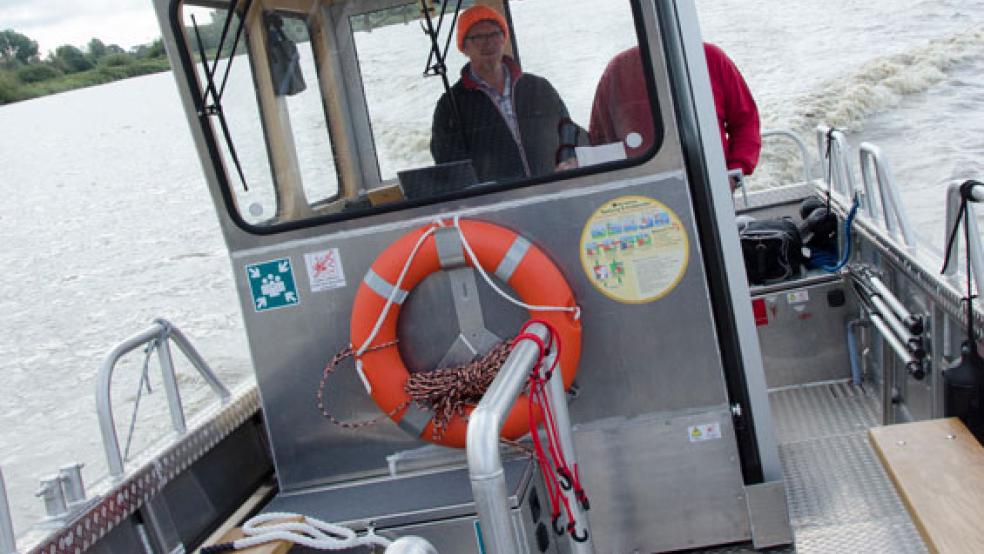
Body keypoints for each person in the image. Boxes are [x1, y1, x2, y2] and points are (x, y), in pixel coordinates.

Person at [430, 5, 581, 183]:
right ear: (463, 47)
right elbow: (448, 162)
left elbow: (568, 128)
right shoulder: (450, 105)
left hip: (552, 190)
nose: (489, 42)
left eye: (495, 34)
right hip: (497, 202)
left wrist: (569, 159)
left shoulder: (538, 87)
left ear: (504, 39)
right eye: (478, 37)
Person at [588, 43, 760, 189]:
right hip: (640, 199)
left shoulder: (712, 58)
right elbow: (599, 140)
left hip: (710, 189)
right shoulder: (616, 72)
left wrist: (733, 175)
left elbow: (746, 122)